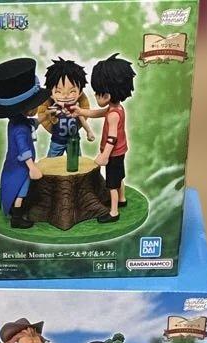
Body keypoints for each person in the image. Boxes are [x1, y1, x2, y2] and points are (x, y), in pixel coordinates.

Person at [0, 58, 51, 229]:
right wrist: (32, 167)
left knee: (22, 190)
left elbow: (32, 124)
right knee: (21, 191)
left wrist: (45, 116)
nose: (37, 108)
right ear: (26, 108)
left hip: (18, 165)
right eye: (35, 106)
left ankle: (19, 212)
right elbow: (24, 151)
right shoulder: (20, 129)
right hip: (20, 168)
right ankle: (17, 217)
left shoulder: (17, 121)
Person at [73, 54, 136, 222]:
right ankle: (122, 199)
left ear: (107, 95)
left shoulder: (113, 115)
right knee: (119, 177)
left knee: (112, 184)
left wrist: (105, 155)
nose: (95, 96)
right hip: (120, 152)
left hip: (113, 154)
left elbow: (112, 138)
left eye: (97, 93)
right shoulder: (116, 108)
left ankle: (114, 212)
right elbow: (97, 113)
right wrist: (80, 111)